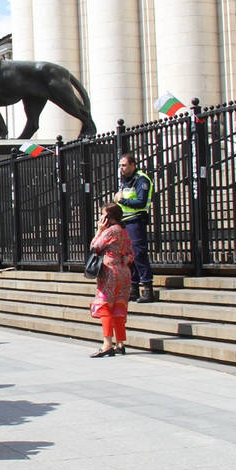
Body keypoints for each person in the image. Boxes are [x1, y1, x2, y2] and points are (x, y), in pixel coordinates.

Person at [89, 202, 136, 357]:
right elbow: (130, 253)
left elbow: (94, 247)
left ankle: (107, 344)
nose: (101, 217)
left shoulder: (109, 231)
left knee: (105, 306)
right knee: (119, 306)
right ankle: (120, 343)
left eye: (103, 214)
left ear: (109, 217)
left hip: (109, 272)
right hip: (124, 272)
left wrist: (99, 230)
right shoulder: (123, 231)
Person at [117, 152, 155, 302]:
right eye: (120, 165)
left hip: (136, 220)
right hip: (125, 221)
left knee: (138, 254)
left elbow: (141, 202)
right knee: (129, 256)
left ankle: (148, 288)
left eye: (124, 165)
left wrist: (122, 201)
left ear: (133, 165)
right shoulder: (126, 180)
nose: (122, 168)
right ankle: (133, 288)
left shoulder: (141, 180)